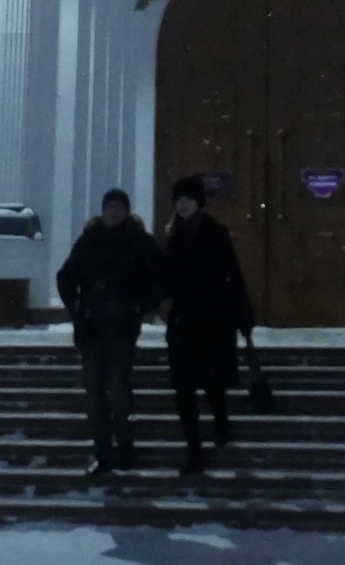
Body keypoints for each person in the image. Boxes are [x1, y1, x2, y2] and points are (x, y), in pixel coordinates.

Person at [55, 187, 166, 475]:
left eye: (119, 206)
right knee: (94, 394)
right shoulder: (89, 241)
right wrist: (78, 308)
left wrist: (139, 306)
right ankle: (102, 451)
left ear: (127, 211)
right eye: (110, 207)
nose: (114, 211)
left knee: (118, 389)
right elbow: (66, 277)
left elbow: (162, 279)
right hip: (91, 328)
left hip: (123, 328)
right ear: (103, 211)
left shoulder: (140, 242)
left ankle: (126, 447)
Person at [161, 176, 255, 475]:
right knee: (183, 388)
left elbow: (232, 274)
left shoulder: (215, 232)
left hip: (214, 320)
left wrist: (243, 315)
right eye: (179, 199)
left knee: (213, 383)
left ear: (199, 202)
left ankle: (221, 423)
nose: (183, 203)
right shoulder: (172, 235)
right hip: (183, 323)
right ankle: (194, 451)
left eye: (188, 198)